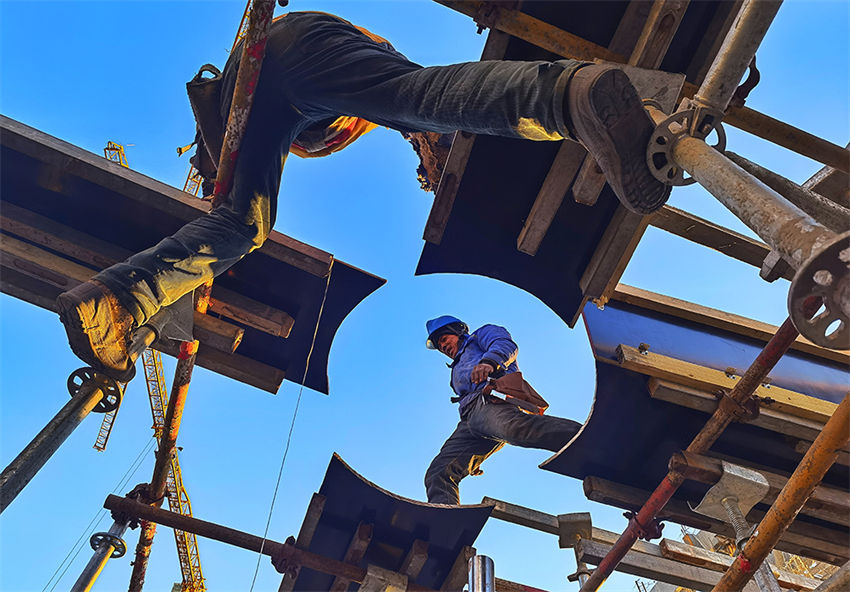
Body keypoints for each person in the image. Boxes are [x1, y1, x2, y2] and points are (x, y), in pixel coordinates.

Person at [56, 11, 670, 381]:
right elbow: (415, 102)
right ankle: (571, 96)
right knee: (418, 99)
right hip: (284, 63)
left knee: (244, 223)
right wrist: (428, 137)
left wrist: (426, 139)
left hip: (270, 72)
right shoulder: (357, 74)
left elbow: (411, 105)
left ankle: (116, 301)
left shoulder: (357, 70)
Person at [423, 316, 581, 505]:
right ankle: (445, 520)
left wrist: (489, 363)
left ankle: (585, 438)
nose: (443, 347)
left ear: (456, 330)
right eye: (439, 346)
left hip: (490, 404)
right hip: (470, 422)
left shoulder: (480, 336)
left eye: (444, 339)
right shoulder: (456, 368)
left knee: (518, 430)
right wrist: (472, 456)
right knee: (439, 472)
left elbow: (505, 345)